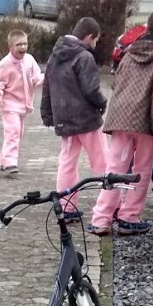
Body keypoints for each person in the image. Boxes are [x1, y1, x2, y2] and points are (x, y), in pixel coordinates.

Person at [88, 9, 153, 237]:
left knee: (114, 168)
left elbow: (117, 84)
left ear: (148, 27)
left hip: (120, 117)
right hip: (145, 121)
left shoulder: (130, 50)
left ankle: (100, 219)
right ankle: (128, 218)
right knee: (141, 170)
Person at [40, 16, 108, 223]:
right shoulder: (84, 57)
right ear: (89, 37)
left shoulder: (55, 55)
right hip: (87, 120)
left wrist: (47, 114)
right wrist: (102, 103)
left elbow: (47, 86)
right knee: (103, 161)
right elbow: (91, 89)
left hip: (65, 120)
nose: (95, 45)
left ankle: (66, 207)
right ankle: (110, 206)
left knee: (67, 163)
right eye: (96, 40)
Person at [0, 29, 44, 174]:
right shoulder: (5, 64)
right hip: (9, 104)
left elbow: (36, 78)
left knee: (17, 132)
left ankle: (4, 159)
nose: (23, 47)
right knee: (13, 131)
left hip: (22, 104)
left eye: (25, 44)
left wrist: (47, 78)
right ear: (10, 47)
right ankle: (10, 162)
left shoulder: (29, 60)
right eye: (19, 45)